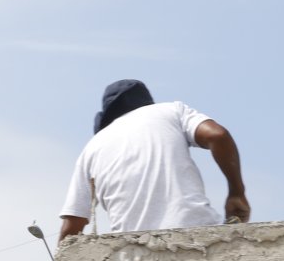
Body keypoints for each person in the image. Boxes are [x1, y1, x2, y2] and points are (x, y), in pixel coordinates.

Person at [59, 79, 250, 243]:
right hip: (197, 237)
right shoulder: (170, 111)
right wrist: (236, 193)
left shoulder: (92, 148)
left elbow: (72, 225)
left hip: (132, 254)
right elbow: (218, 135)